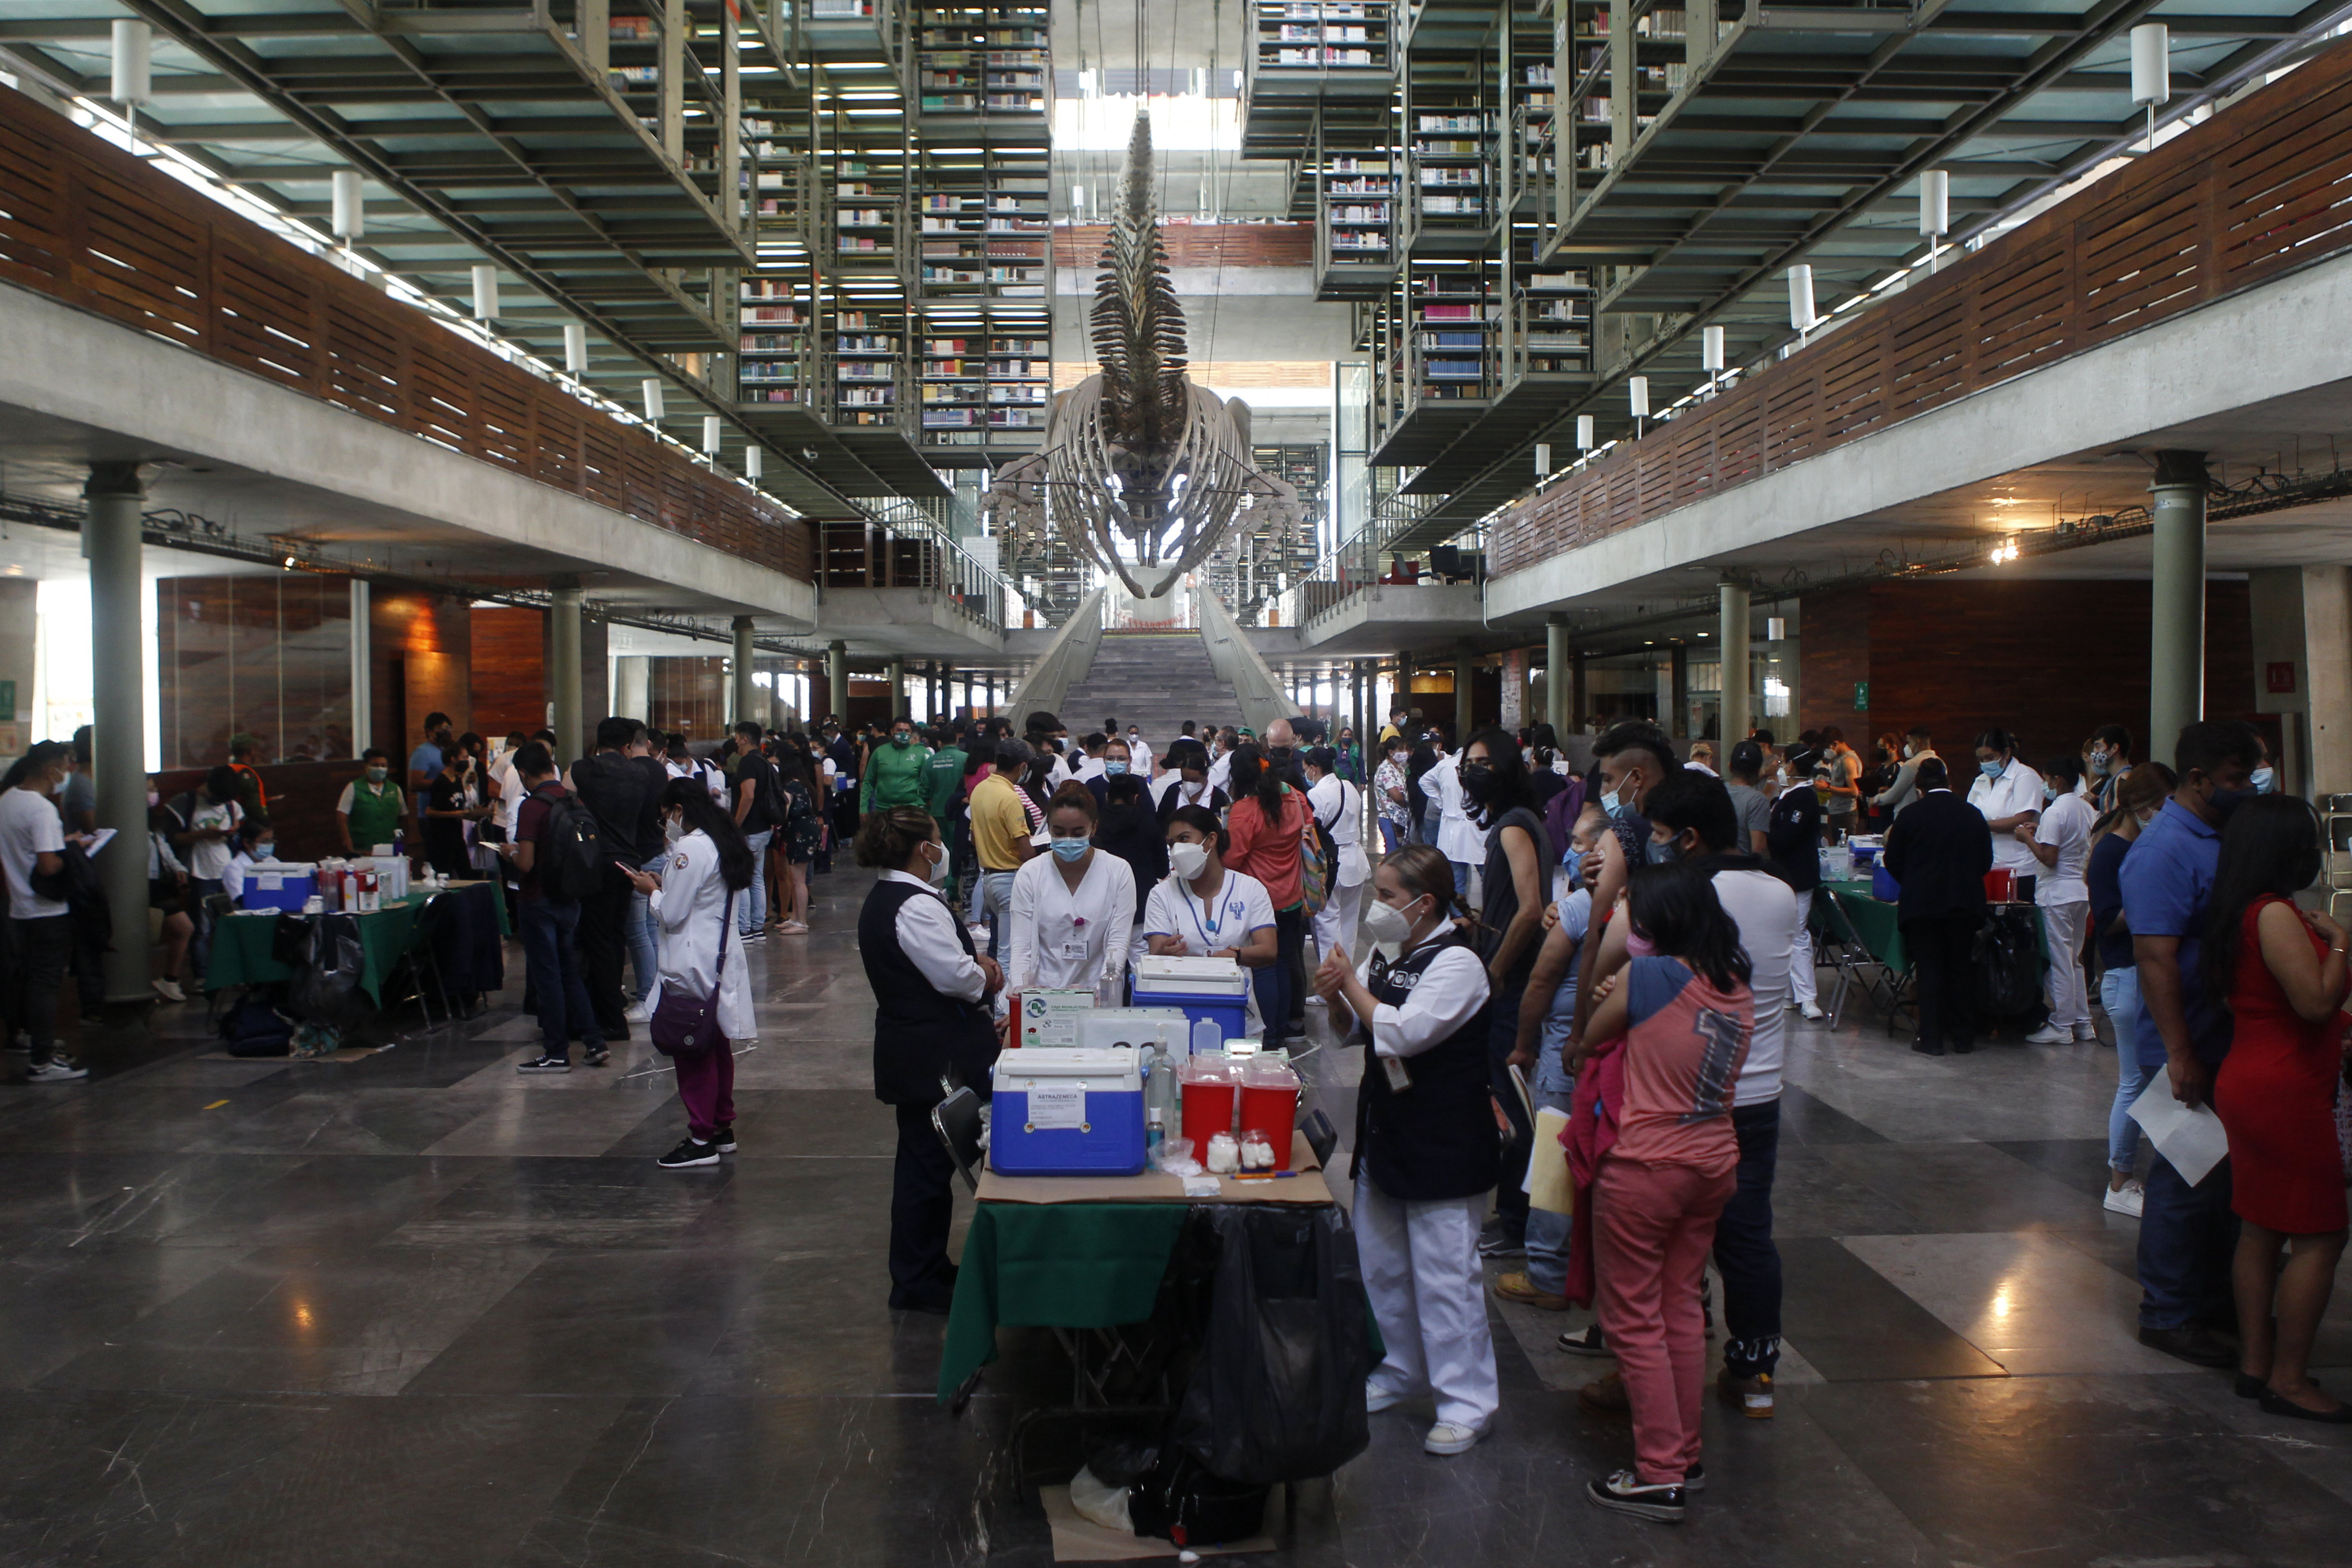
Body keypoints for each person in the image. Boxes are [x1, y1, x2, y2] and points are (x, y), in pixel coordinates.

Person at [1573, 859, 1753, 1524]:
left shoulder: (1646, 977)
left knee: (1633, 1320)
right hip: (1712, 1161)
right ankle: (1686, 1455)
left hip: (1645, 1167)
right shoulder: (1735, 981)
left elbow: (1591, 1042)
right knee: (1680, 1306)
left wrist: (1602, 999)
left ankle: (1657, 1473)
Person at [1314, 845, 1499, 1458]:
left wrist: (1352, 989)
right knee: (1383, 1265)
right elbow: (1357, 1031)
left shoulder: (1459, 964)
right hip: (1387, 1130)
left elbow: (1403, 1032)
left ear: (1424, 904)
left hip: (1443, 1138)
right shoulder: (1390, 953)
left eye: (1388, 897)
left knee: (1446, 1276)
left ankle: (1466, 1401)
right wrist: (1340, 997)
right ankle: (1401, 1369)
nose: (1378, 908)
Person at [2203, 795, 2352, 1420]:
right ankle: (2290, 1380)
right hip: (2284, 1090)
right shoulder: (2276, 916)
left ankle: (2257, 1363)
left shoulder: (2239, 911)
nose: (2317, 852)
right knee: (2320, 1234)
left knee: (2261, 1229)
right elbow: (2315, 1004)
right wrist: (2344, 944)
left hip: (2254, 1079)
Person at [2122, 719, 2262, 1367]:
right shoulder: (2164, 849)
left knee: (2222, 1179)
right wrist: (2179, 1052)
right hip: (2186, 1042)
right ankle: (2168, 1311)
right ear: (2200, 779)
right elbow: (2155, 957)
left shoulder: (2220, 833)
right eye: (2236, 780)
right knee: (2183, 1178)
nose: (2247, 789)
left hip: (2226, 1037)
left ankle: (2211, 1297)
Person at [855, 805, 1004, 1311]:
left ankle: (928, 1267)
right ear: (925, 850)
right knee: (923, 1173)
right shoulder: (912, 906)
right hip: (930, 1056)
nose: (942, 848)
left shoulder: (901, 898)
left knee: (928, 1171)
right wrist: (983, 972)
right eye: (938, 839)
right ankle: (916, 1280)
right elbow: (955, 979)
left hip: (919, 1048)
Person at [1497, 804, 1604, 1311]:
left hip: (1566, 1049)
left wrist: (1523, 1041)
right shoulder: (1596, 903)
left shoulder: (1586, 907)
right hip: (1610, 1052)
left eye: (1584, 843)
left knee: (1554, 1158)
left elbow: (1542, 979)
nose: (1574, 851)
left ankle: (1546, 1270)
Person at [623, 779, 757, 1168]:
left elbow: (672, 913)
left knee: (691, 1047)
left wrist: (651, 890)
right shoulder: (722, 840)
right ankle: (721, 1127)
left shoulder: (690, 847)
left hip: (692, 960)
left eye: (668, 816)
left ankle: (701, 1138)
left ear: (680, 810)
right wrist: (667, 886)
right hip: (719, 954)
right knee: (715, 1043)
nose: (668, 825)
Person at [1460, 729, 1550, 1260]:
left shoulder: (1514, 827)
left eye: (1483, 763)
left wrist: (1495, 970)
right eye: (1469, 762)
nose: (1473, 772)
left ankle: (1516, 1220)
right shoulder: (1514, 823)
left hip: (1514, 982)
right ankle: (1513, 1214)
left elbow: (1531, 908)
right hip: (1506, 972)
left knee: (1510, 1101)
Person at [2087, 763, 2175, 1217]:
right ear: (2141, 807)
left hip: (2139, 975)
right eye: (2160, 807)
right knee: (2134, 1082)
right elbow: (2109, 920)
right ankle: (2120, 1180)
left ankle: (2137, 1175)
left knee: (2148, 1079)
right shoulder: (2111, 853)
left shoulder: (2139, 845)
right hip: (2126, 974)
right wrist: (2155, 905)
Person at [499, 742, 608, 1074]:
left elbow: (527, 863)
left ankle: (557, 1052)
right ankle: (594, 1041)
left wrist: (509, 854)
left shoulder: (533, 807)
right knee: (568, 972)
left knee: (548, 978)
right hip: (570, 897)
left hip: (538, 901)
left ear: (523, 773)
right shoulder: (573, 799)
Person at [1880, 757, 1993, 1055]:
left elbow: (1893, 860)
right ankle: (1964, 1037)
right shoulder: (1972, 815)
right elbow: (1986, 862)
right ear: (1949, 784)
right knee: (1961, 969)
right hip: (1964, 905)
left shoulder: (1909, 816)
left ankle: (1930, 1039)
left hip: (1923, 906)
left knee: (1929, 971)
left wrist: (1915, 882)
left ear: (1919, 789)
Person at [1144, 806, 1279, 1033]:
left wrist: (1236, 955)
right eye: (1172, 844)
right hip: (1179, 1017)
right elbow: (1155, 954)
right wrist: (1162, 953)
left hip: (1238, 1015)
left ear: (1211, 840)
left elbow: (1269, 950)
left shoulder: (1250, 889)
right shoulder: (1162, 894)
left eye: (1184, 839)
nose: (1177, 850)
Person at [2, 742, 89, 1080]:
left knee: (30, 980)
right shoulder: (41, 810)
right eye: (66, 768)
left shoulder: (6, 800)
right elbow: (49, 866)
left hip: (19, 907)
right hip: (47, 909)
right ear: (50, 770)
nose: (67, 775)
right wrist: (74, 849)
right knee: (45, 984)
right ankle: (42, 1061)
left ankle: (33, 1042)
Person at [1006, 784, 1138, 998]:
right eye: (1059, 832)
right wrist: (1022, 995)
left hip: (1095, 990)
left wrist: (1102, 994)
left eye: (1078, 833)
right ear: (1048, 828)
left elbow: (1118, 942)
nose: (1068, 839)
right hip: (1042, 993)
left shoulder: (1118, 871)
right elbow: (1021, 945)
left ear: (1093, 828)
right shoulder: (1031, 873)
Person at [569, 718, 653, 1040]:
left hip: (596, 863)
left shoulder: (583, 769)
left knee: (598, 940)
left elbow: (566, 798)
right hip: (628, 863)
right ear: (628, 745)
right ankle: (611, 1009)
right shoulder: (640, 773)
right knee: (616, 939)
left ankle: (608, 1018)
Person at [1223, 745, 1313, 1043]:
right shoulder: (1298, 800)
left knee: (1262, 968)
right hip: (1292, 897)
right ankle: (1284, 1027)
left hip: (1258, 903)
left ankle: (1268, 1036)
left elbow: (1232, 858)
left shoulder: (1245, 811)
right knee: (1286, 961)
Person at [2020, 753, 2097, 1045]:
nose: (2044, 786)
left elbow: (2050, 858)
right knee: (2075, 960)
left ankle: (2062, 1025)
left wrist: (2028, 840)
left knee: (2060, 961)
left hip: (2057, 895)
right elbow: (2069, 845)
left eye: (2046, 779)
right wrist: (2037, 833)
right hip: (2080, 890)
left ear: (2058, 780)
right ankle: (2083, 1022)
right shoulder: (2087, 808)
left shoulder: (2054, 811)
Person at [1087, 738, 1167, 968]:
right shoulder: (1149, 825)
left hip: (1102, 904)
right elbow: (1162, 868)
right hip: (1141, 905)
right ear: (1136, 798)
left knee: (1106, 965)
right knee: (1140, 965)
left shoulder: (1095, 829)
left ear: (1106, 797)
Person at [970, 739, 1036, 963]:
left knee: (998, 946)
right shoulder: (1010, 797)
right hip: (1010, 880)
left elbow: (973, 836)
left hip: (988, 878)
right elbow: (1026, 852)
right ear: (1023, 767)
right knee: (1010, 952)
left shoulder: (980, 789)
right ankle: (1005, 998)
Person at [1305, 745, 1371, 967]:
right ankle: (1346, 980)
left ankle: (1331, 987)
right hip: (1356, 861)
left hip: (1331, 865)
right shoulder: (1349, 787)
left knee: (1327, 927)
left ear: (1314, 768)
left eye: (1306, 769)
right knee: (1350, 926)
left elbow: (1312, 830)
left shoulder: (1316, 794)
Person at [178, 764, 244, 980]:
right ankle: (202, 976)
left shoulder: (232, 806)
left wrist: (233, 830)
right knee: (202, 929)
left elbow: (240, 825)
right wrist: (202, 835)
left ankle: (231, 971)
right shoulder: (188, 803)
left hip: (227, 871)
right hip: (201, 872)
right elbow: (173, 839)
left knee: (232, 925)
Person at [1969, 727, 2044, 893]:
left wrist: (1982, 825)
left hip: (2020, 868)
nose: (1986, 764)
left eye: (1990, 758)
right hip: (1989, 865)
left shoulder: (2025, 776)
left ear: (2007, 753)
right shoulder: (1980, 781)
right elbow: (1970, 814)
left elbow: (2024, 818)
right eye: (1981, 760)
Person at [728, 720, 780, 941]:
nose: (735, 741)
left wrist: (735, 825)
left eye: (737, 737)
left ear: (745, 739)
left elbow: (748, 795)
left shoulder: (748, 762)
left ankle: (744, 928)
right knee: (756, 878)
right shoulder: (764, 761)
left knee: (743, 879)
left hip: (749, 830)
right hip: (763, 828)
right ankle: (758, 925)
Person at [145, 775, 195, 1004]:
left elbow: (164, 848)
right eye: (149, 790)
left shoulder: (153, 821)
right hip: (143, 884)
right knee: (158, 933)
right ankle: (150, 983)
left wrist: (178, 868)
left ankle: (169, 980)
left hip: (159, 883)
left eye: (154, 789)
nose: (154, 794)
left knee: (183, 928)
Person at [770, 743, 818, 934]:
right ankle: (796, 918)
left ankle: (802, 922)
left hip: (799, 833)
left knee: (798, 880)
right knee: (797, 877)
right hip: (807, 831)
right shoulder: (804, 785)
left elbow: (784, 812)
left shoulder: (789, 787)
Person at [422, 749, 488, 879]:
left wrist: (477, 813)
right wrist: (453, 814)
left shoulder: (458, 781)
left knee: (467, 875)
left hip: (458, 836)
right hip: (441, 839)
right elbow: (430, 812)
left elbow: (462, 806)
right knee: (444, 876)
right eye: (464, 757)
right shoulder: (441, 782)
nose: (467, 760)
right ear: (453, 759)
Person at [337, 748, 406, 856]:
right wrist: (347, 841)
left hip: (389, 846)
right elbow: (342, 815)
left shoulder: (395, 789)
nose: (380, 768)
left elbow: (403, 816)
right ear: (366, 767)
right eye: (376, 765)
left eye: (383, 766)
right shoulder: (354, 787)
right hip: (362, 847)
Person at [1152, 741, 1227, 824]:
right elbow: (1160, 822)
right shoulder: (1173, 792)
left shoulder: (1219, 798)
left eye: (1194, 780)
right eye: (1185, 779)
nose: (1189, 784)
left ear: (1206, 775)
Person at [1870, 726, 1937, 819]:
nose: (1907, 747)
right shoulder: (1940, 763)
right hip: (1932, 813)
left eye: (1909, 743)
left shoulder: (1912, 765)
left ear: (1918, 743)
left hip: (1909, 816)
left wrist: (1876, 799)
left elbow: (1896, 794)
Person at [1723, 740, 1771, 857]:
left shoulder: (1715, 791)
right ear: (1759, 769)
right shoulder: (1758, 801)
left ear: (1730, 766)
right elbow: (1758, 848)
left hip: (1712, 869)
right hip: (1742, 868)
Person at [1816, 725, 1861, 843]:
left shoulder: (1849, 761)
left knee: (1844, 850)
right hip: (1837, 812)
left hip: (1845, 814)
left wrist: (1828, 788)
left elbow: (1854, 791)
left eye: (1828, 748)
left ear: (1835, 744)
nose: (1827, 751)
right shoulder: (1839, 758)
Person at [408, 712, 451, 829]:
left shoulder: (446, 750)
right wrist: (445, 781)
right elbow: (415, 784)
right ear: (429, 731)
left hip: (448, 812)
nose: (446, 731)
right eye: (441, 728)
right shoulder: (422, 752)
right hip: (430, 815)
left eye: (448, 728)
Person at [1373, 735, 1413, 855]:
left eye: (1405, 749)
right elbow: (1396, 796)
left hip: (1400, 818)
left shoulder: (1399, 768)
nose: (1405, 752)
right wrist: (1409, 804)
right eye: (1401, 749)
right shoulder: (1386, 769)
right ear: (1391, 752)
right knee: (1392, 854)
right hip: (1390, 818)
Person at [2085, 723, 2134, 815]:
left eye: (2098, 746)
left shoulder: (2123, 779)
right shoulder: (2112, 780)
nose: (2095, 752)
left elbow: (2117, 818)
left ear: (2115, 748)